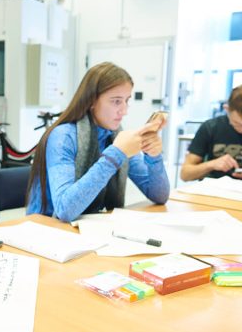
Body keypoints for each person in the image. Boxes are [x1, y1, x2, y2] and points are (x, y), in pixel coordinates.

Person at [26, 62, 170, 223]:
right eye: (116, 101)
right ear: (92, 101)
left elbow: (159, 195)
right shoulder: (63, 136)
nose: (124, 111)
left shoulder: (115, 135)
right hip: (47, 229)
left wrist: (154, 156)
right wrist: (115, 155)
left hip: (87, 229)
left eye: (126, 101)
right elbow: (64, 210)